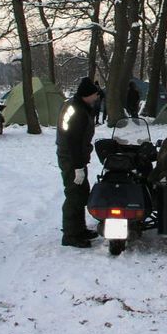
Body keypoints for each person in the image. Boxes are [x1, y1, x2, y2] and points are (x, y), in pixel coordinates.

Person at [56, 77, 100, 248]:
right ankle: (71, 235)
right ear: (87, 95)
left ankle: (79, 229)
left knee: (81, 193)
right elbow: (72, 141)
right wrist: (77, 167)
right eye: (95, 94)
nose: (97, 97)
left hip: (77, 158)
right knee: (74, 194)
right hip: (71, 159)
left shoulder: (81, 106)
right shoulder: (76, 111)